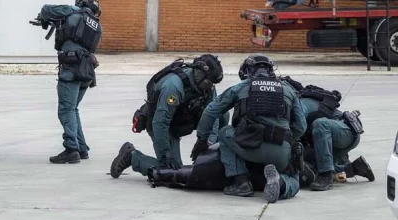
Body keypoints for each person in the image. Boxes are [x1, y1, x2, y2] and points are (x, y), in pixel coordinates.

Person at [192, 54, 306, 203]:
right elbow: (301, 126)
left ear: (247, 71)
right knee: (294, 180)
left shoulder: (241, 87)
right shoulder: (288, 90)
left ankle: (241, 182)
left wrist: (201, 140)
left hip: (249, 146)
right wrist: (287, 141)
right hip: (280, 152)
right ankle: (281, 183)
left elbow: (210, 111)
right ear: (271, 71)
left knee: (224, 132)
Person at [109, 54, 225, 179]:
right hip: (161, 124)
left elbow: (213, 114)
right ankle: (132, 157)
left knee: (223, 114)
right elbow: (160, 123)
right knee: (174, 172)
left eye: (213, 83)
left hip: (182, 118)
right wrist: (166, 155)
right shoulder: (173, 87)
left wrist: (207, 143)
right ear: (199, 74)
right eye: (209, 82)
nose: (211, 86)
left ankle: (213, 159)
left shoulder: (208, 86)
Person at [35, 0, 102, 164]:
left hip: (71, 69)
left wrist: (45, 18)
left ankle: (71, 149)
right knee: (73, 109)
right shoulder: (96, 25)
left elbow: (46, 9)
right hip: (87, 71)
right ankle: (81, 148)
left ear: (81, 2)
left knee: (66, 110)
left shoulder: (72, 11)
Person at [281, 77, 373, 191]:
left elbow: (300, 128)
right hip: (332, 138)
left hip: (347, 132)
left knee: (320, 124)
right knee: (308, 167)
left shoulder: (303, 103)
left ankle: (326, 176)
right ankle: (355, 168)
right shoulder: (298, 101)